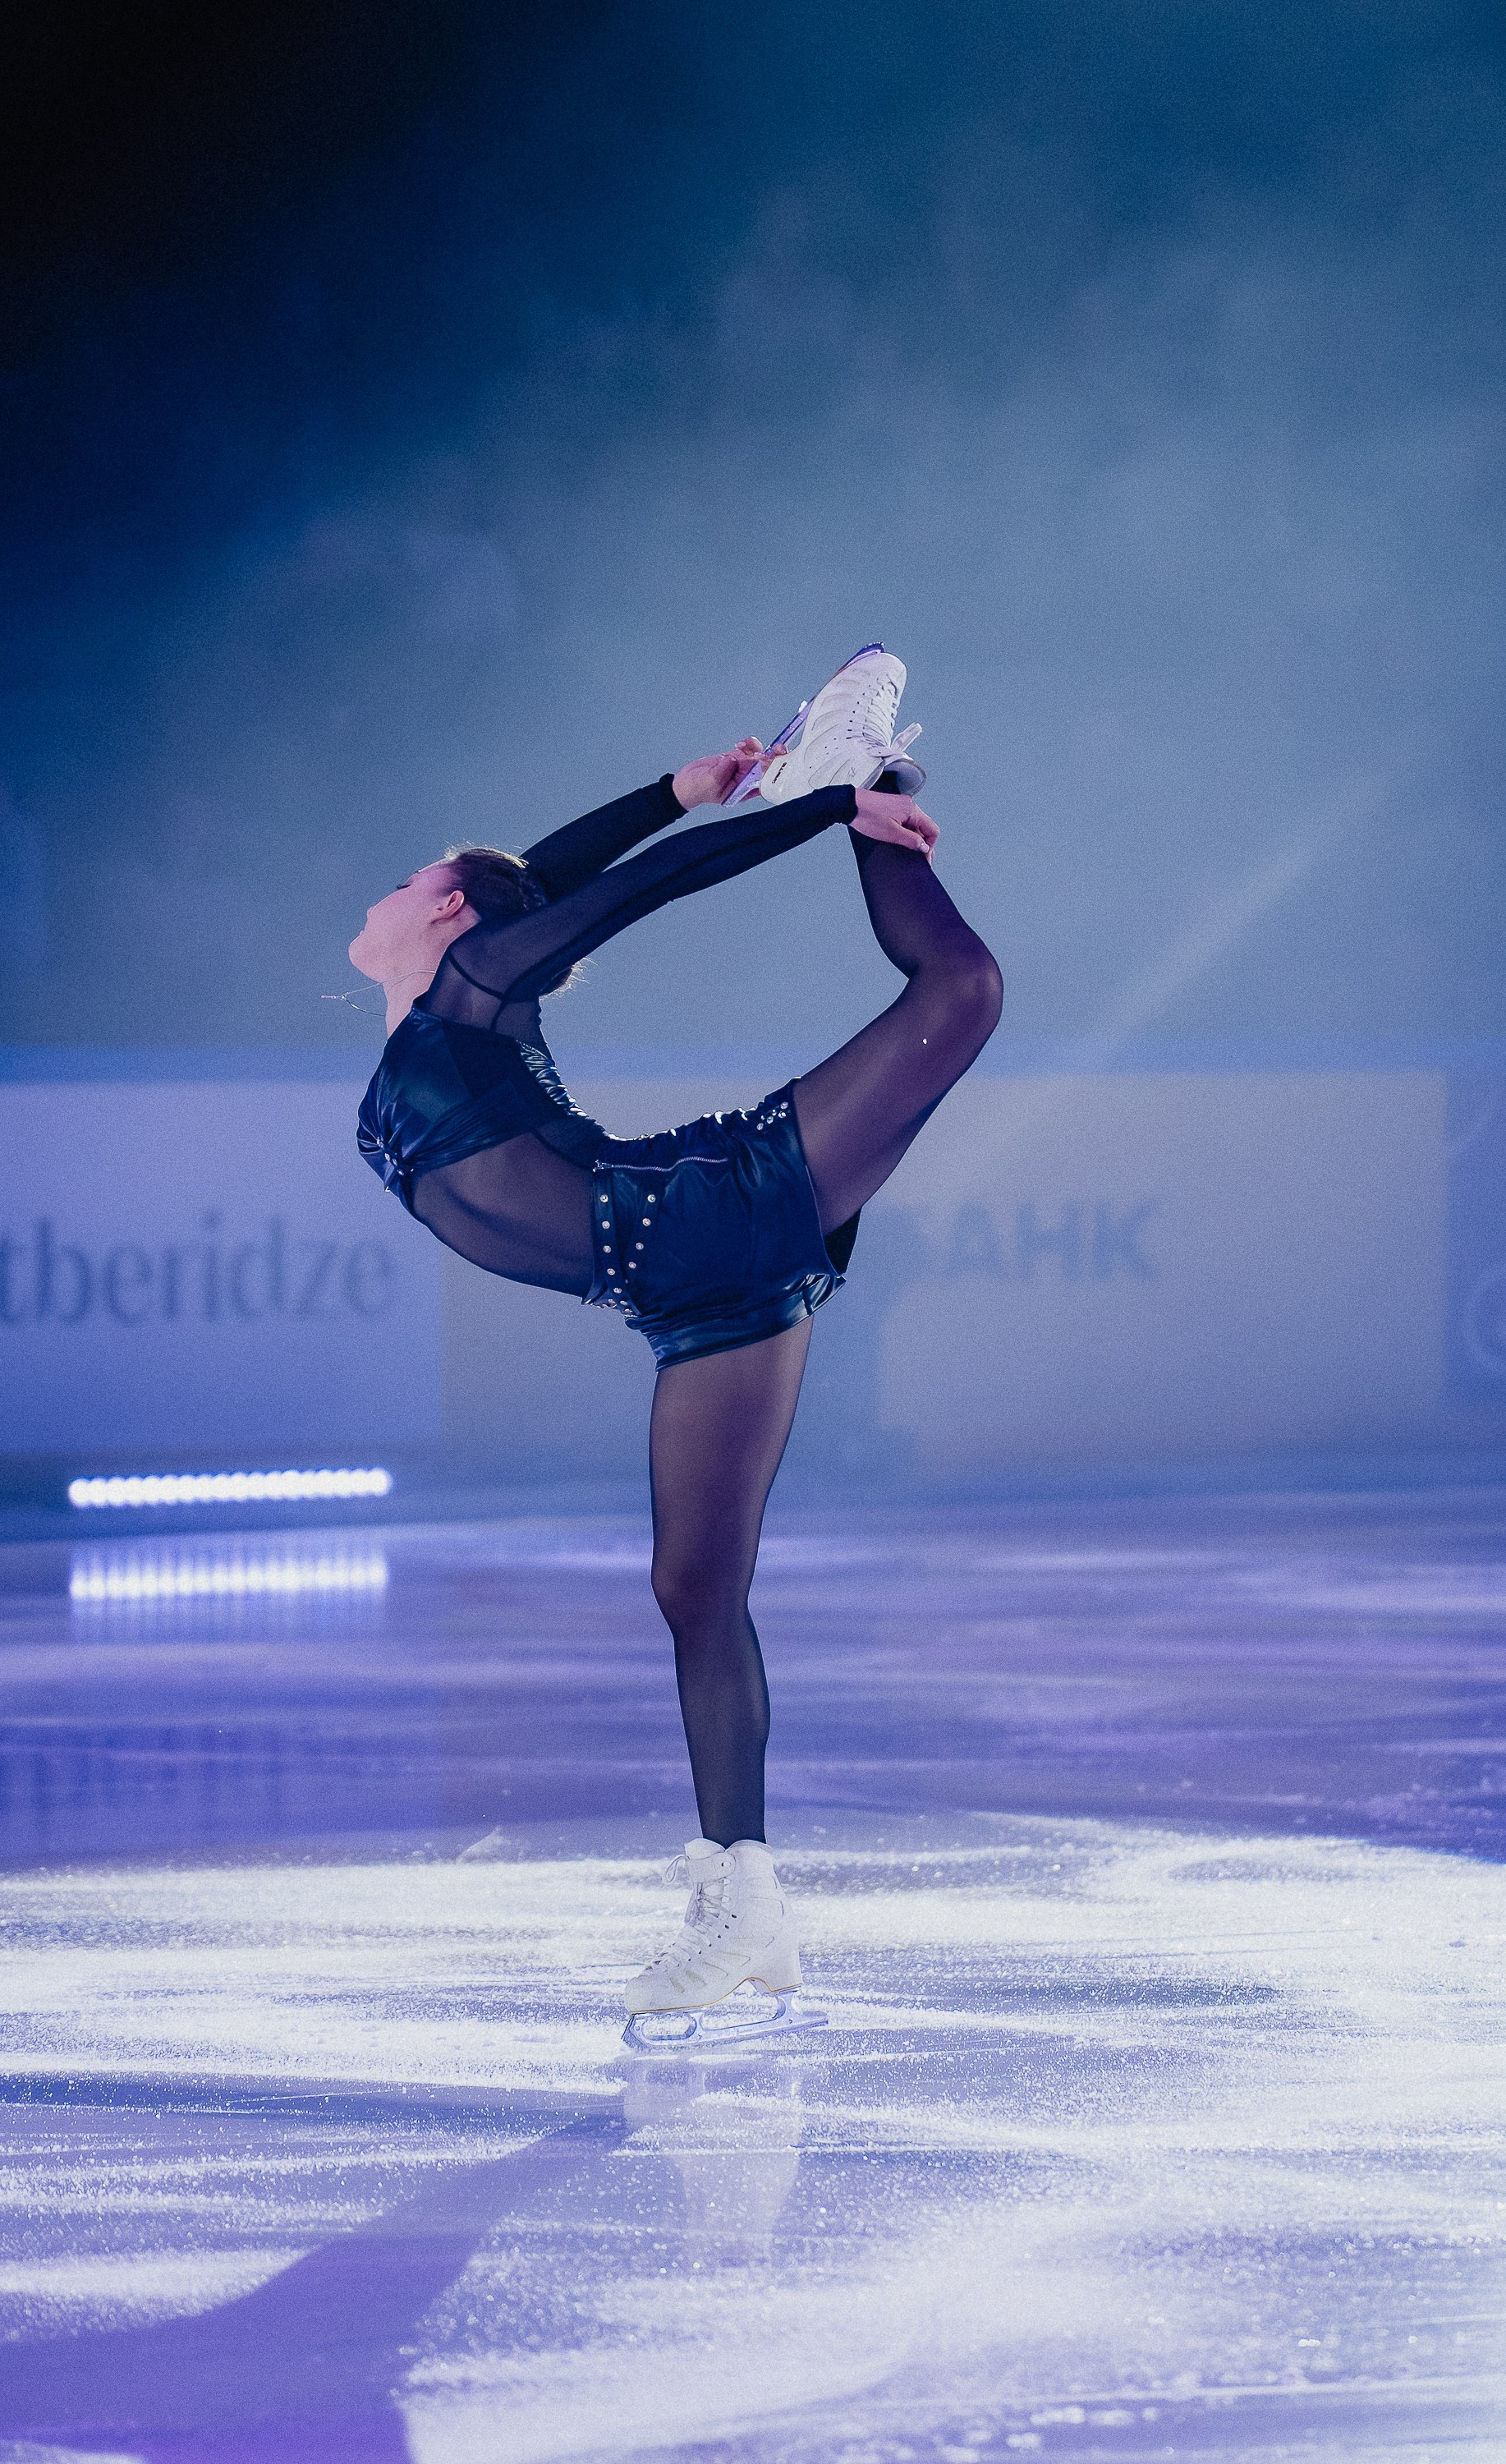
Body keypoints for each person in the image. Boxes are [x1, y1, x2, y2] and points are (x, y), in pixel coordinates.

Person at [351, 653, 1002, 2043]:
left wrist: (827, 809)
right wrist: (674, 788)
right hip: (684, 1291)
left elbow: (626, 892)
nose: (378, 896)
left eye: (404, 881)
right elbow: (551, 879)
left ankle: (864, 761)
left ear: (448, 912)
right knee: (695, 1589)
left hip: (702, 1213)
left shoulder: (471, 982)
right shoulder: (474, 991)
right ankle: (743, 1901)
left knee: (962, 989)